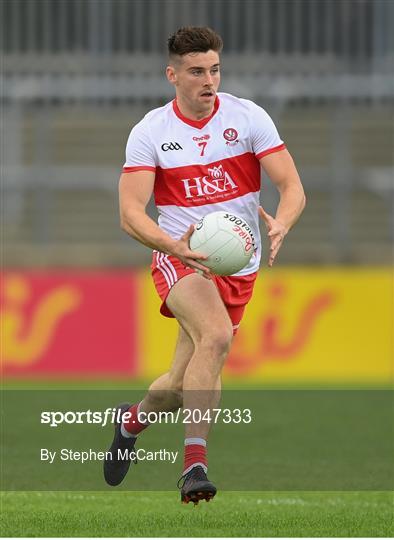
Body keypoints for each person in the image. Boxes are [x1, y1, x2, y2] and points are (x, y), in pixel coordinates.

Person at [104, 26, 305, 504]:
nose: (208, 80)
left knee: (178, 384)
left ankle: (130, 421)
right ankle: (195, 466)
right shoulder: (152, 130)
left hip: (240, 266)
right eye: (196, 71)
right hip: (181, 259)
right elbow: (131, 214)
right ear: (172, 75)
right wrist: (172, 247)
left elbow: (292, 187)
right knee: (216, 337)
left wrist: (282, 224)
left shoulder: (248, 117)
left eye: (214, 70)